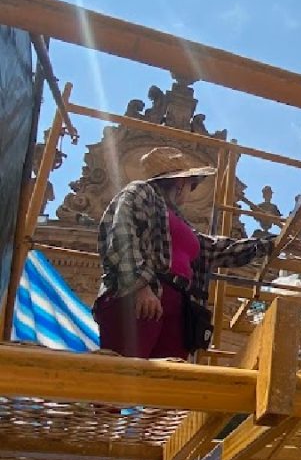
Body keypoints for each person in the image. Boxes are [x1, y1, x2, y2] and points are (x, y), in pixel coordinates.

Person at [93, 146, 274, 359]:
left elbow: (218, 250)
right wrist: (139, 288)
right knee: (126, 372)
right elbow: (123, 234)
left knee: (166, 381)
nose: (192, 189)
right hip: (144, 294)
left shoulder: (180, 221)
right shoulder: (141, 191)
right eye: (192, 184)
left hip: (178, 304)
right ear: (179, 183)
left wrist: (268, 244)